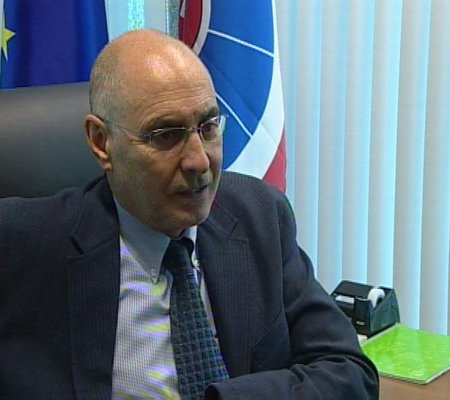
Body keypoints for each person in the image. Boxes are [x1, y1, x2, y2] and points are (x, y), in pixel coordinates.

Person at [0, 29, 378, 399]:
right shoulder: (21, 242)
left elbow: (349, 373)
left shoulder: (260, 215)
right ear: (102, 143)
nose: (199, 161)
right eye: (166, 134)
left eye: (208, 127)